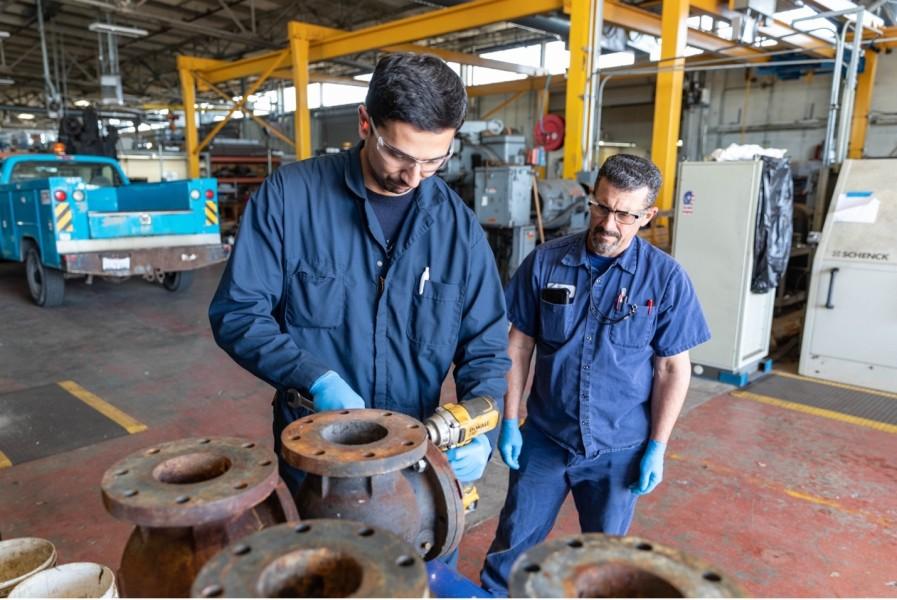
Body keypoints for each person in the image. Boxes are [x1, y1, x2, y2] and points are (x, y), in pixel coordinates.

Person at [208, 53, 510, 500]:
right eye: (400, 155)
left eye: (434, 162)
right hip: (315, 452)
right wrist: (313, 377)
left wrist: (479, 431)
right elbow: (238, 313)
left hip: (416, 452)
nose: (414, 176)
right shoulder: (290, 199)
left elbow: (486, 345)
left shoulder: (457, 228)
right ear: (365, 122)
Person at [480, 154, 710, 595]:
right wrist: (509, 421)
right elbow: (519, 343)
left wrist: (657, 447)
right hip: (545, 439)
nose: (608, 223)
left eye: (625, 214)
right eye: (602, 207)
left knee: (604, 563)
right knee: (512, 548)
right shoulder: (546, 262)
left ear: (647, 216)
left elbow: (670, 368)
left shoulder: (665, 280)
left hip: (618, 449)